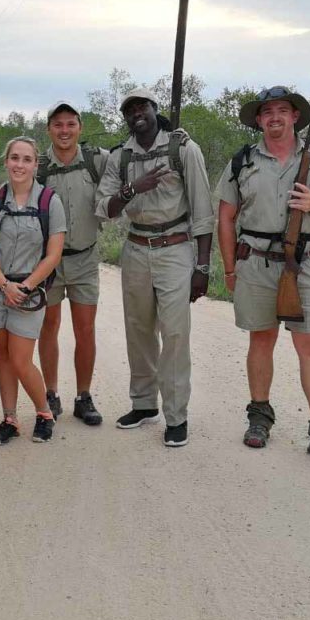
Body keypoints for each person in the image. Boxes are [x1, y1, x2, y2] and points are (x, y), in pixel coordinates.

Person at [215, 85, 310, 465]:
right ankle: (259, 418)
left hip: (306, 262)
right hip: (256, 261)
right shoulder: (242, 160)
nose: (274, 117)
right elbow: (226, 217)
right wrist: (230, 268)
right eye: (267, 112)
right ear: (259, 120)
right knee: (261, 341)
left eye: (282, 110)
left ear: (295, 117)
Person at [96, 88, 214, 447]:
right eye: (129, 110)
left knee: (175, 334)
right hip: (136, 247)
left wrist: (203, 267)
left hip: (175, 248)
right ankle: (144, 404)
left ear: (154, 109)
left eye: (142, 106)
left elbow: (203, 210)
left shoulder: (183, 149)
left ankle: (176, 416)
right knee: (138, 330)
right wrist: (134, 189)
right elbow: (105, 208)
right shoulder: (121, 157)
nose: (137, 114)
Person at [0, 137, 66, 446]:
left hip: (29, 293)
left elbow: (53, 254)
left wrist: (25, 287)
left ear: (35, 165)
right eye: (14, 157)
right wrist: (4, 284)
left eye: (26, 159)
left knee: (20, 359)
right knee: (3, 355)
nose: (19, 164)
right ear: (6, 161)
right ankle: (10, 419)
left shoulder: (49, 202)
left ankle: (44, 413)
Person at [37, 102, 108, 426]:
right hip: (47, 264)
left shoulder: (97, 161)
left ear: (80, 127)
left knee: (85, 329)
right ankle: (50, 394)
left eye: (70, 124)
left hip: (84, 259)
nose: (64, 131)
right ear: (49, 129)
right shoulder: (39, 168)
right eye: (58, 125)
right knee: (48, 328)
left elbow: (127, 172)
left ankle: (84, 396)